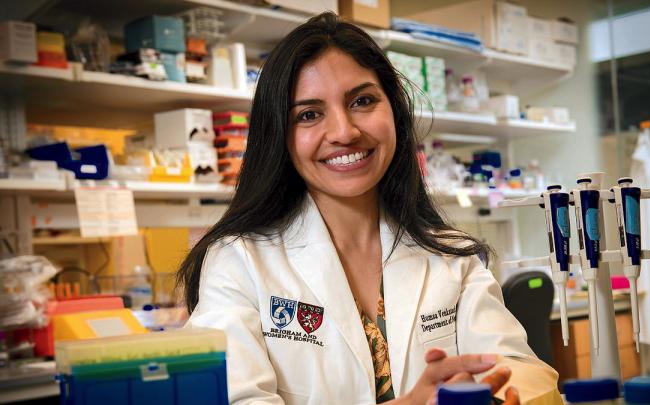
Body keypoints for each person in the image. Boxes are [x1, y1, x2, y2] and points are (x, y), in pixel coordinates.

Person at [179, 12, 559, 405]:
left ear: (393, 110)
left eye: (362, 101)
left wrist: (501, 394)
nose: (344, 132)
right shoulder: (239, 261)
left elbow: (517, 365)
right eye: (309, 114)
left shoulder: (450, 255)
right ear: (279, 135)